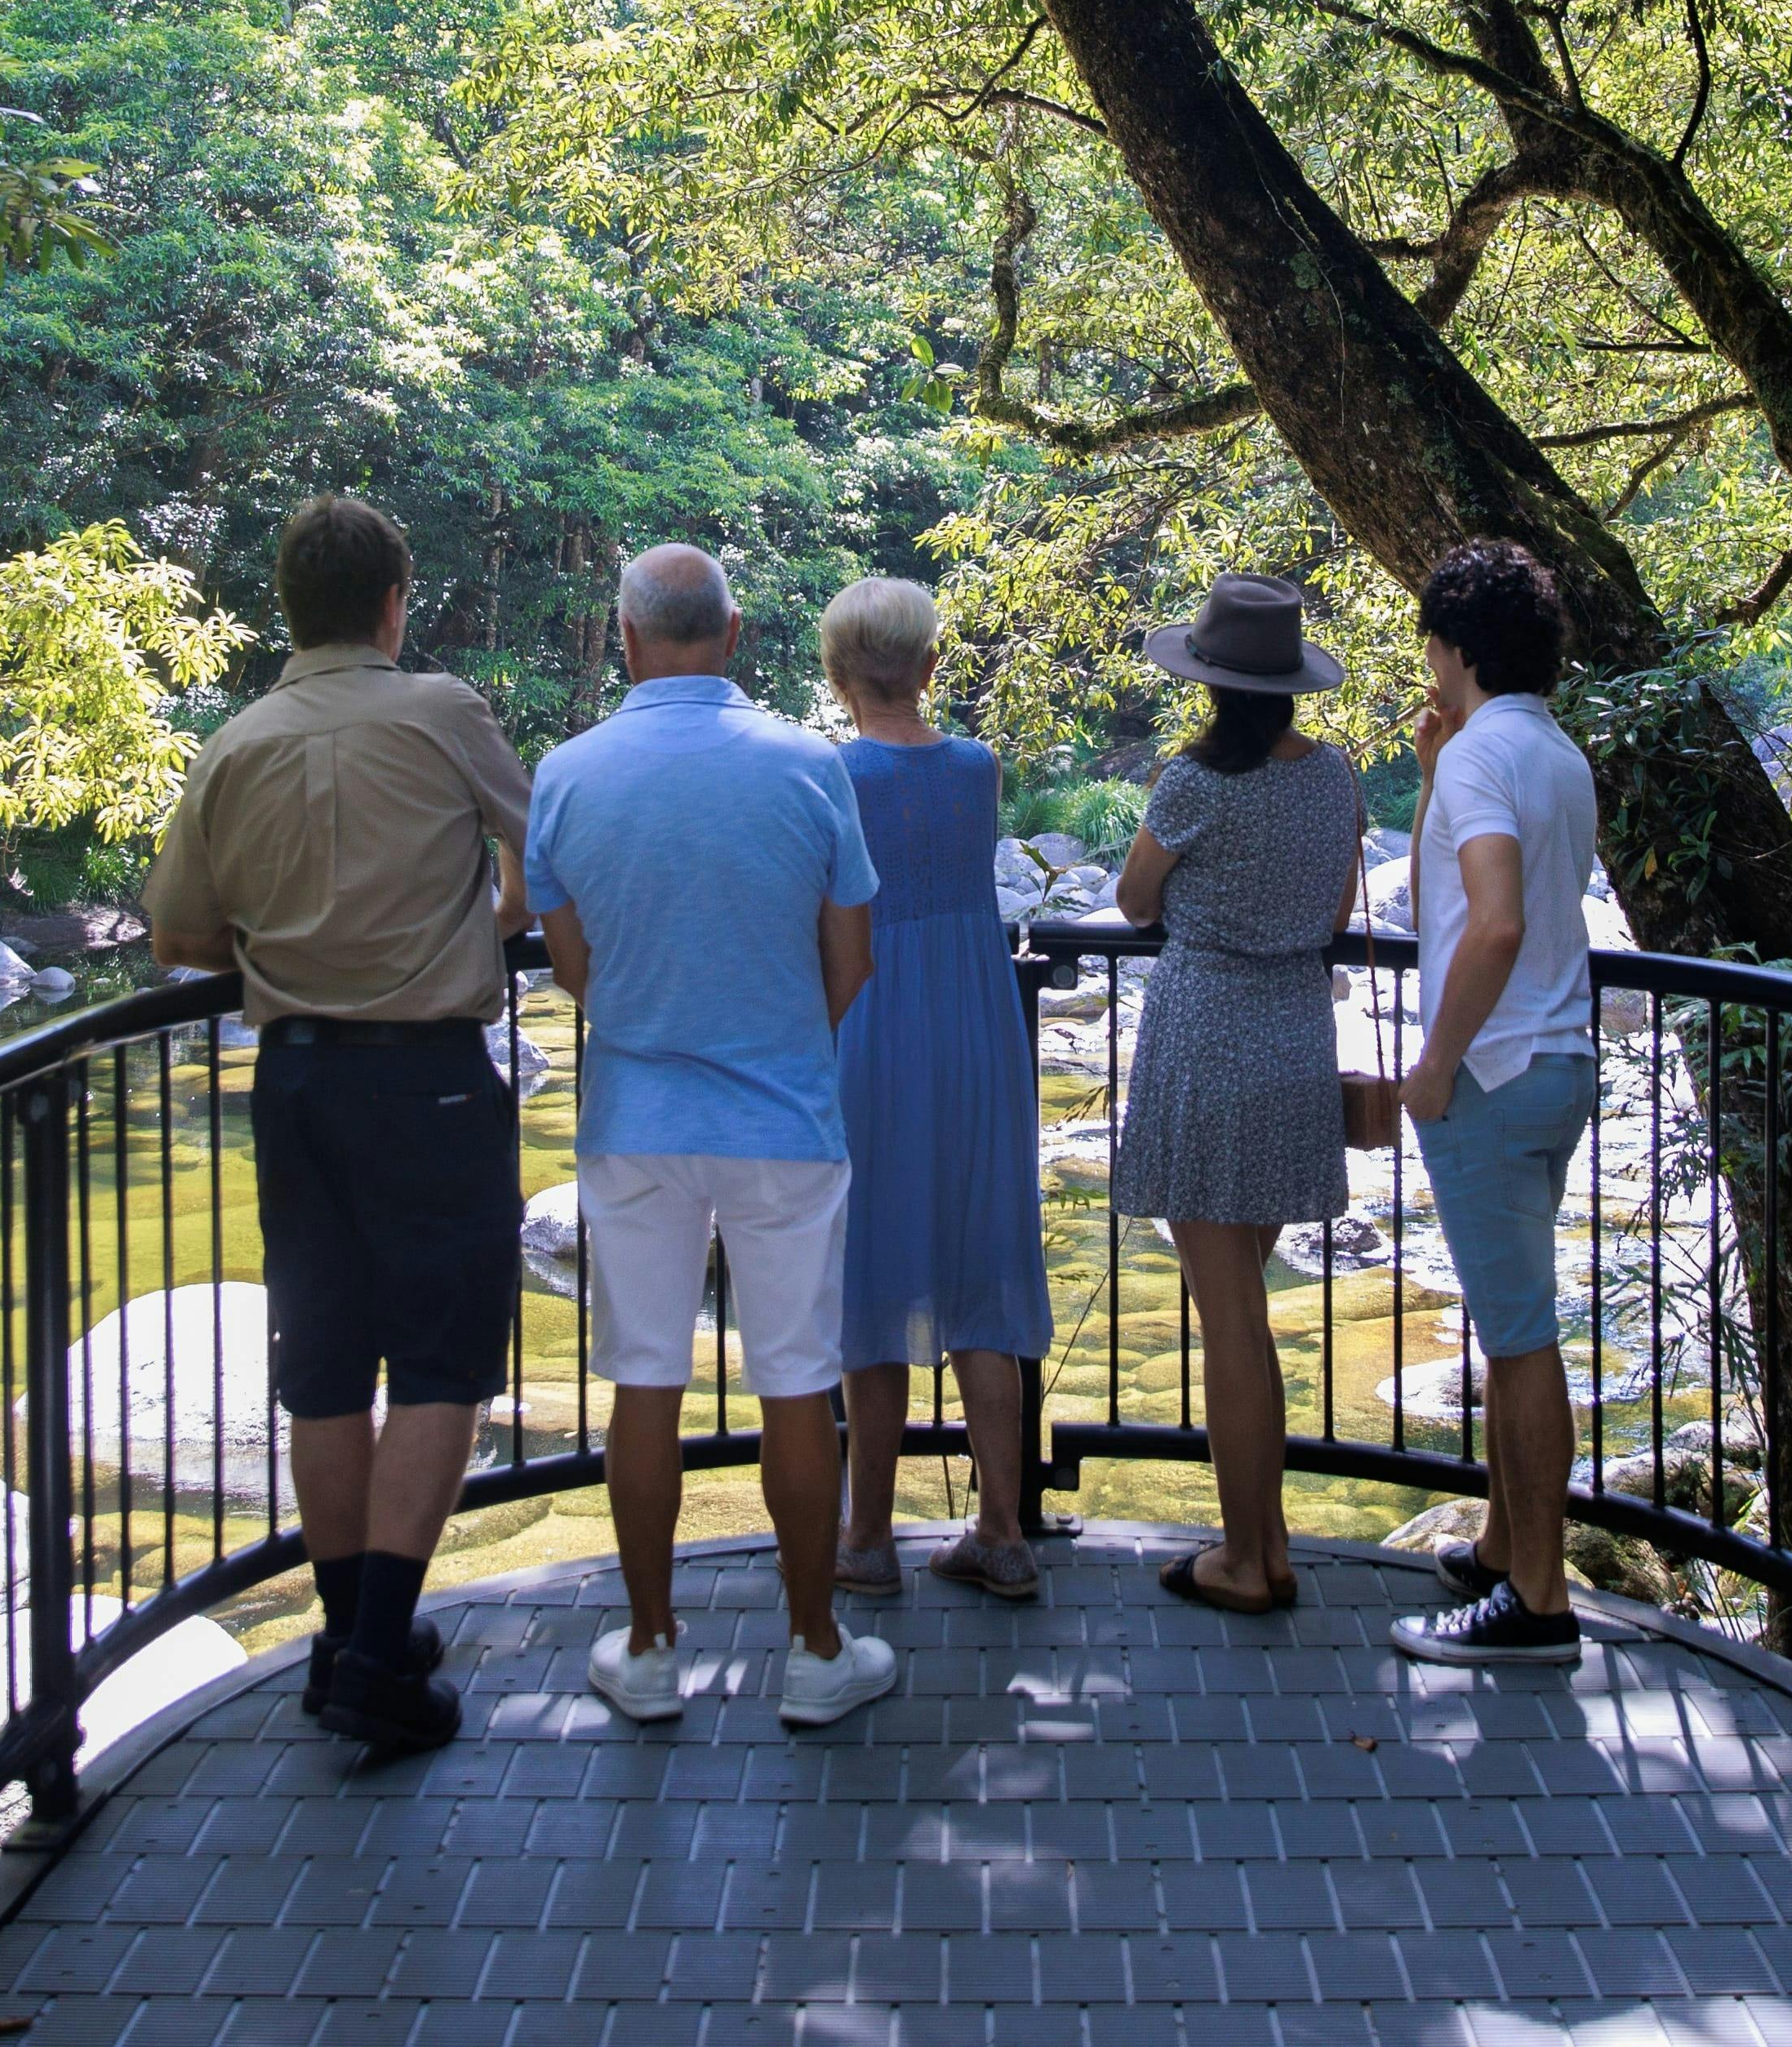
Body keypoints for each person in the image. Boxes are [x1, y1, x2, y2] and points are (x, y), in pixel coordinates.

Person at [143, 496, 531, 1760]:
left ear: (286, 608)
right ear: (392, 603)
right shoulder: (443, 712)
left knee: (324, 1364)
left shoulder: (234, 742)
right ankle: (376, 1649)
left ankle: (341, 1630)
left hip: (295, 1081)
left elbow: (182, 940)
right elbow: (546, 858)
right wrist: (486, 923)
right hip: (426, 1076)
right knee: (441, 1362)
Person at [528, 544, 901, 1728]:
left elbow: (575, 968)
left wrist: (655, 1022)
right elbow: (853, 960)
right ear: (734, 637)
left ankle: (646, 1651)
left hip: (636, 1118)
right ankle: (814, 1652)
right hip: (784, 1113)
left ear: (626, 638)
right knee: (798, 1380)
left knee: (645, 1380)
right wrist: (780, 1032)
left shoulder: (568, 775)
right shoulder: (808, 768)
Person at [1105, 572, 1367, 1615]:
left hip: (1205, 1043)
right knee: (1245, 1312)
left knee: (1230, 1323)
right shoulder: (1336, 778)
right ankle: (1270, 1542)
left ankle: (1247, 1561)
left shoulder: (1194, 783)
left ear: (1208, 681)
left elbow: (1132, 903)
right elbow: (1340, 901)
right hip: (1297, 1037)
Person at [1383, 539, 1604, 1669]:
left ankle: (1538, 1601)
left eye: (1430, 640)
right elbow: (1458, 904)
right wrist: (1432, 772)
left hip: (1496, 1071)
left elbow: (1497, 921)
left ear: (1457, 646)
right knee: (1517, 1320)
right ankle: (1504, 1552)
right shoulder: (1551, 751)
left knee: (1519, 1341)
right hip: (1559, 1062)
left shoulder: (1485, 761)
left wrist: (1436, 1062)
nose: (1426, 660)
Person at [817, 576, 1056, 1603]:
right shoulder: (978, 767)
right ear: (927, 665)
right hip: (972, 1025)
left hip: (870, 1022)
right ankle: (1002, 1531)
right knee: (980, 1260)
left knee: (873, 1264)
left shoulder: (829, 776)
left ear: (837, 675)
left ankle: (867, 1537)